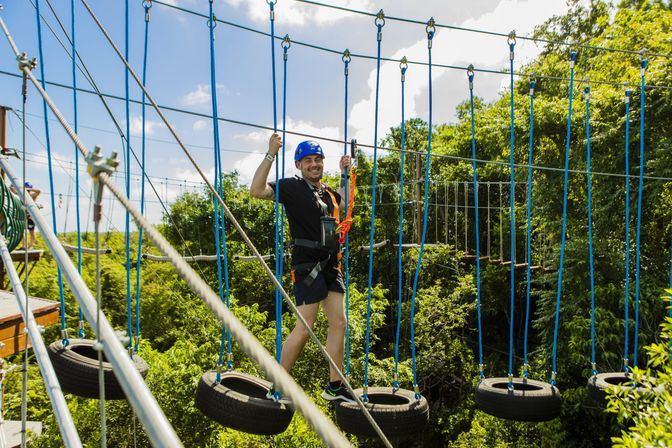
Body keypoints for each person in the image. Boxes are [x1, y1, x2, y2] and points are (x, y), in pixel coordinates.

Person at [250, 133, 353, 403]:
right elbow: (257, 191)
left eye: (318, 160)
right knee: (305, 326)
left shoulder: (327, 192)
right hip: (308, 266)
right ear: (299, 165)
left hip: (331, 264)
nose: (314, 164)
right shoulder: (293, 187)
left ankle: (335, 386)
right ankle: (279, 385)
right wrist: (270, 153)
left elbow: (344, 201)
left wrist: (345, 173)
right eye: (308, 160)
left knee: (339, 323)